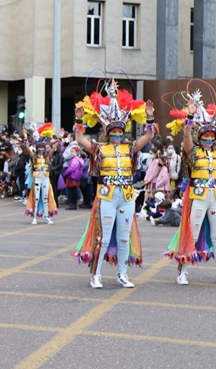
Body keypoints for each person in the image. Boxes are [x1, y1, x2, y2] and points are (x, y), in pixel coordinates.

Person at [72, 79, 157, 289]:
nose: (118, 136)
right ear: (108, 134)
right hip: (107, 196)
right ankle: (96, 274)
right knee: (103, 236)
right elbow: (80, 138)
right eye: (114, 133)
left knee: (123, 238)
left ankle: (122, 274)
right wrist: (79, 119)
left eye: (120, 132)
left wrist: (149, 116)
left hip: (126, 196)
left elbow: (149, 135)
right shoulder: (100, 149)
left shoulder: (130, 148)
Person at [163, 87, 216, 286]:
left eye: (211, 137)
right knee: (193, 233)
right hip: (198, 198)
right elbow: (187, 136)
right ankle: (182, 271)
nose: (208, 139)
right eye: (205, 137)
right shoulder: (192, 152)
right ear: (200, 138)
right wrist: (190, 115)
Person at [22, 123, 57, 224]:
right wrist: (26, 142)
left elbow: (51, 152)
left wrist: (55, 145)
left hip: (45, 177)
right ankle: (34, 217)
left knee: (45, 197)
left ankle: (46, 216)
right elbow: (28, 151)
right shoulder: (35, 157)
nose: (41, 151)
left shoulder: (46, 157)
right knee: (36, 198)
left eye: (43, 149)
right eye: (40, 149)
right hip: (37, 177)